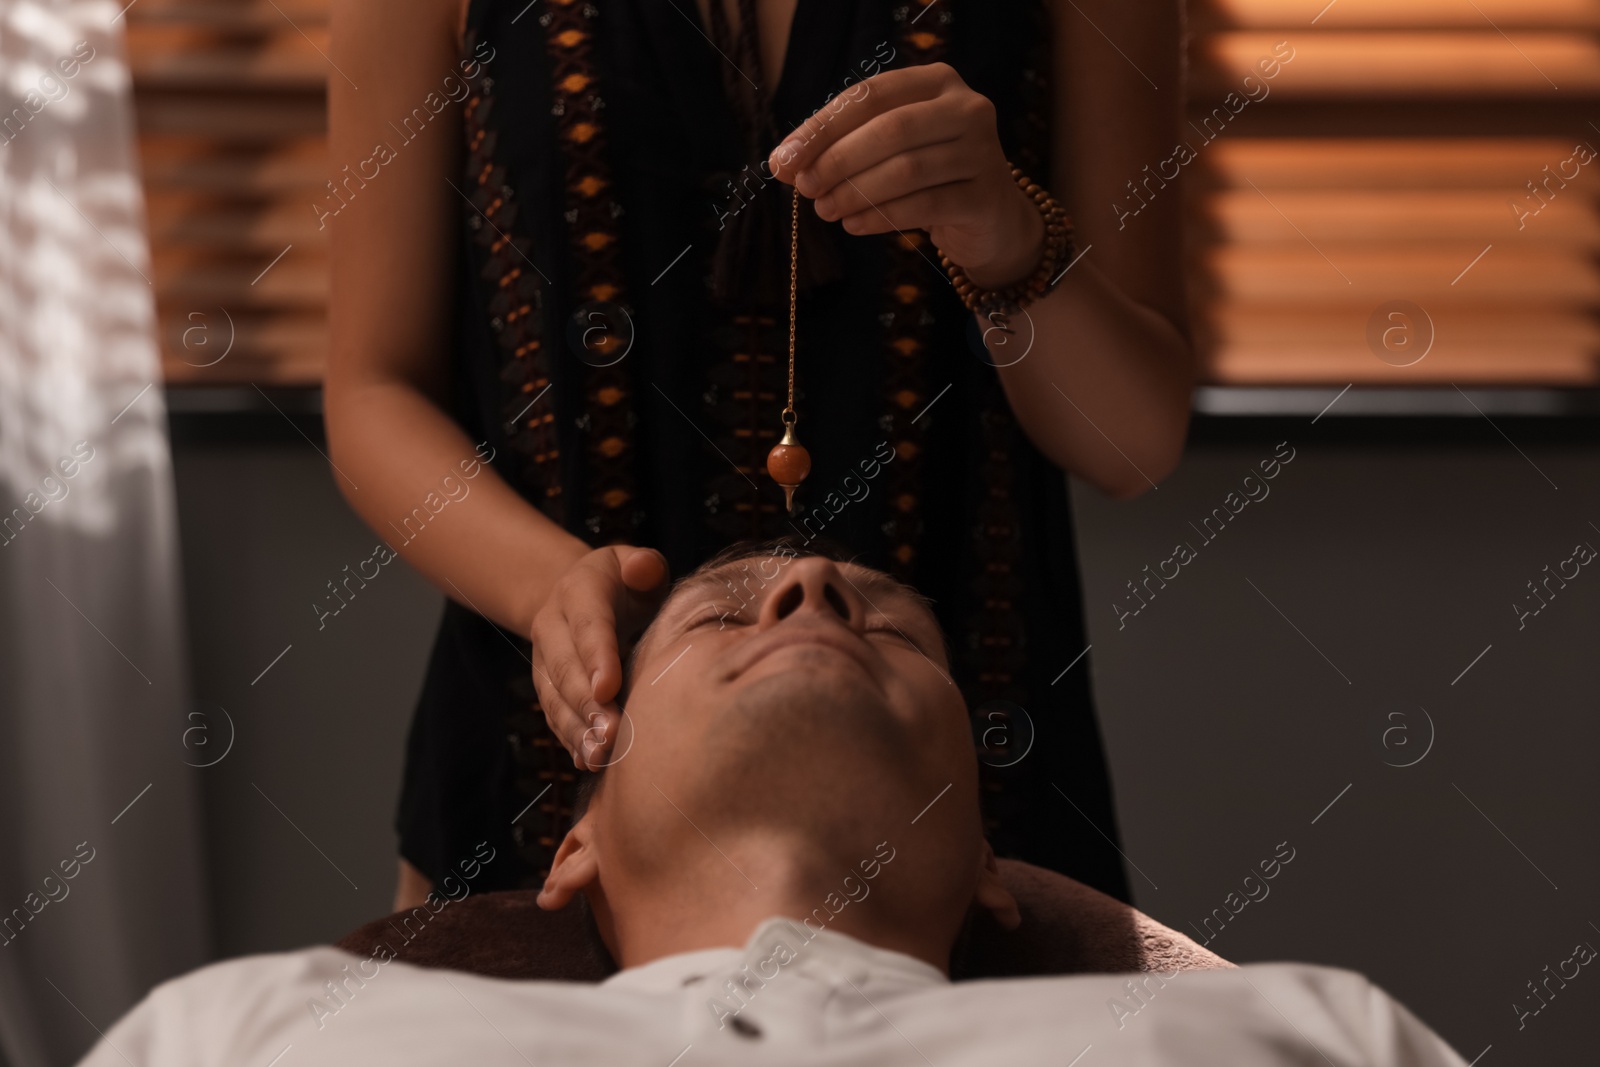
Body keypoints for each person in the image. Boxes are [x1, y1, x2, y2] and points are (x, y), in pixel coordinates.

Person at [324, 0, 1194, 912]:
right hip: (544, 794)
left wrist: (1009, 239)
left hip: (962, 812)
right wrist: (551, 590)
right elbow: (374, 392)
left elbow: (1128, 440)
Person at [76, 545, 1468, 1067]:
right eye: (721, 614)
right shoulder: (244, 1030)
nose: (809, 592)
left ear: (993, 862)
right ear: (572, 844)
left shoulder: (1305, 1032)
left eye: (891, 625)